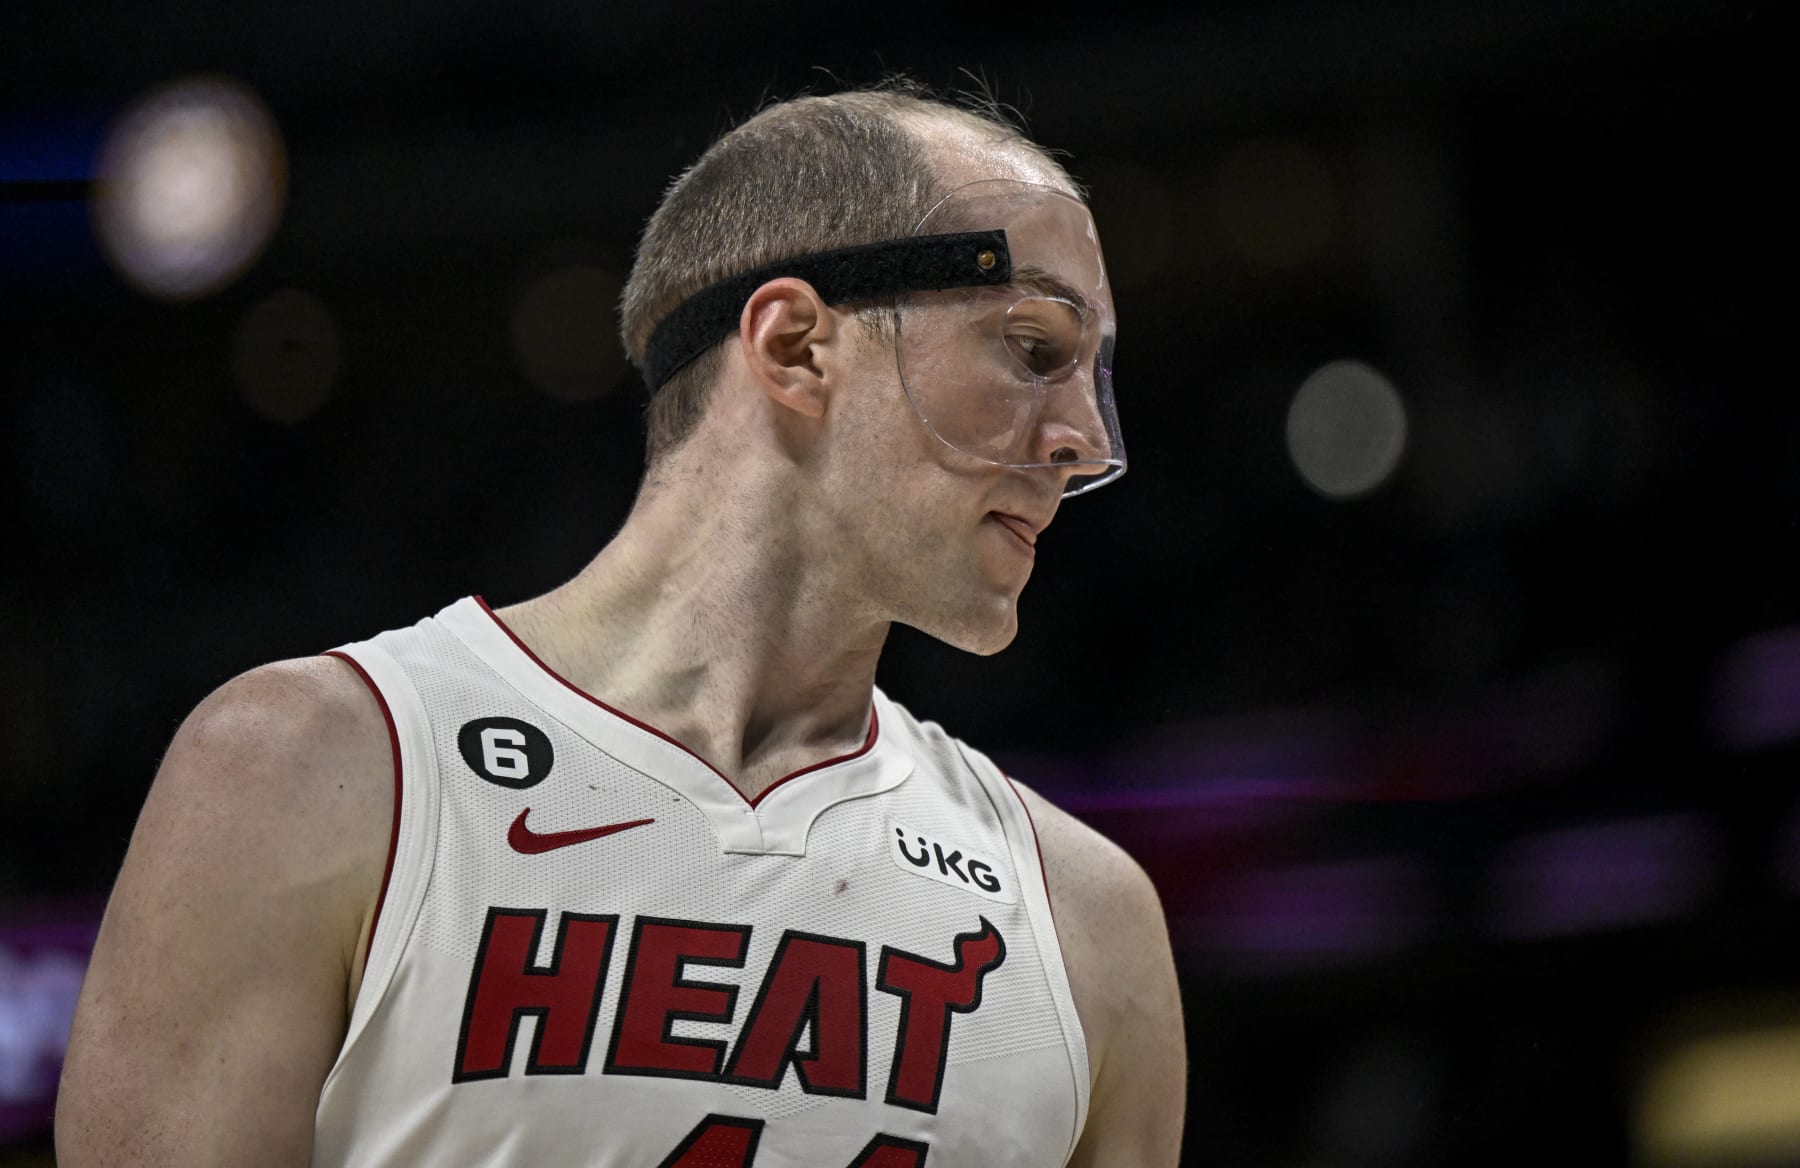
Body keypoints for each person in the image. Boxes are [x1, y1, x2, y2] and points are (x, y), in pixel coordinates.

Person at [56, 83, 1185, 1166]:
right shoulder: (308, 770)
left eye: (1096, 379)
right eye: (1035, 349)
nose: (1084, 437)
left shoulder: (1090, 923)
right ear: (796, 346)